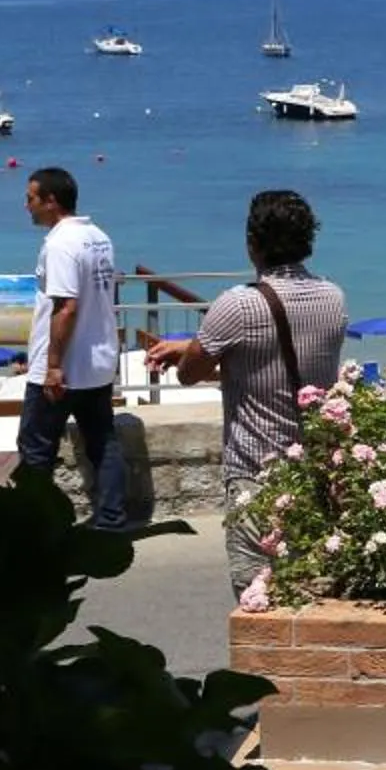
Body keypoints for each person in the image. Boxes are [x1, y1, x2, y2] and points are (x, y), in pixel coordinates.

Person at [146, 189, 346, 601]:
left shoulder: (237, 306)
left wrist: (190, 352)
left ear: (253, 244)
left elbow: (189, 375)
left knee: (256, 596)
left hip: (254, 473)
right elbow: (278, 345)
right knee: (314, 590)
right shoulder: (333, 297)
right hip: (315, 472)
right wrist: (195, 347)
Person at [19, 165, 128, 530]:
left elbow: (66, 308)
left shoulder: (61, 244)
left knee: (35, 448)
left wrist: (52, 366)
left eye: (31, 198)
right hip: (97, 361)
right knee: (103, 442)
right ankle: (112, 518)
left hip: (65, 367)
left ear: (51, 201)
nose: (26, 206)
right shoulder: (99, 237)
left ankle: (36, 525)